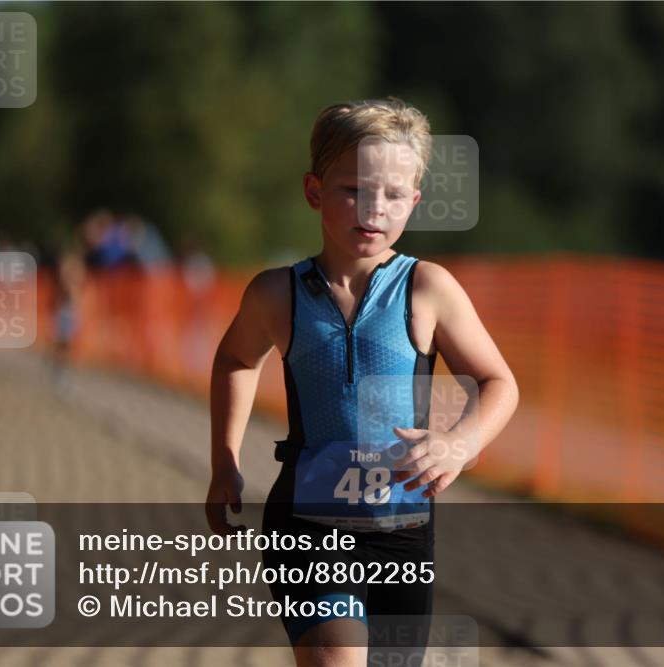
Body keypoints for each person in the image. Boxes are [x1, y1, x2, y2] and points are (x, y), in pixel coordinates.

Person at [207, 97, 518, 667]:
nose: (373, 209)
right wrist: (223, 460)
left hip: (402, 532)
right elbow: (235, 359)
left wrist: (459, 442)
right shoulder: (277, 294)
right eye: (353, 189)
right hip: (307, 527)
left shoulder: (428, 288)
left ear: (415, 201)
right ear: (313, 190)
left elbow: (498, 381)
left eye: (394, 195)